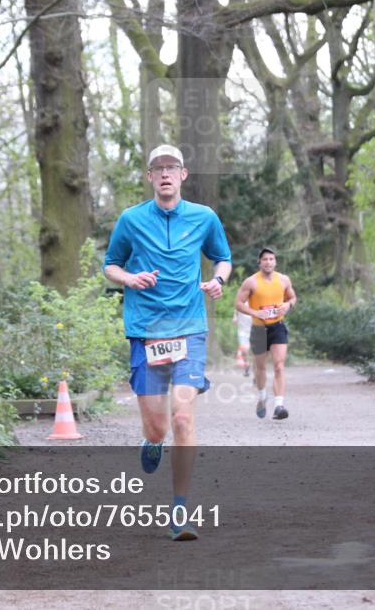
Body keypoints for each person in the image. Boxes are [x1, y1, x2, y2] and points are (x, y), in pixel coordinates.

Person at [104, 144, 231, 541]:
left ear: (183, 174)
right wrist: (129, 279)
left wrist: (218, 280)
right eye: (157, 168)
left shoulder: (204, 217)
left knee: (182, 417)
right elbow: (111, 265)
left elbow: (222, 258)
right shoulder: (131, 219)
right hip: (145, 330)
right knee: (159, 428)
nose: (164, 174)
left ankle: (180, 510)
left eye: (171, 167)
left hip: (189, 327)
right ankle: (152, 441)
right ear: (149, 177)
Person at [234, 248, 296, 420]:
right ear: (259, 262)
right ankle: (262, 396)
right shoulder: (251, 282)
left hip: (278, 326)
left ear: (275, 262)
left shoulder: (283, 280)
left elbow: (292, 298)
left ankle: (279, 405)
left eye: (271, 259)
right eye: (265, 259)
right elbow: (238, 304)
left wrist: (287, 306)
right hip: (259, 330)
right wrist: (254, 313)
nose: (268, 262)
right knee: (260, 367)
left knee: (279, 365)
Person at [233, 310, 252, 377]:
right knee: (244, 350)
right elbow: (236, 307)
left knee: (248, 350)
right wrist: (235, 316)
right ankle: (246, 368)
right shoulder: (240, 300)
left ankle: (255, 371)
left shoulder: (253, 300)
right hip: (242, 331)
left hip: (252, 329)